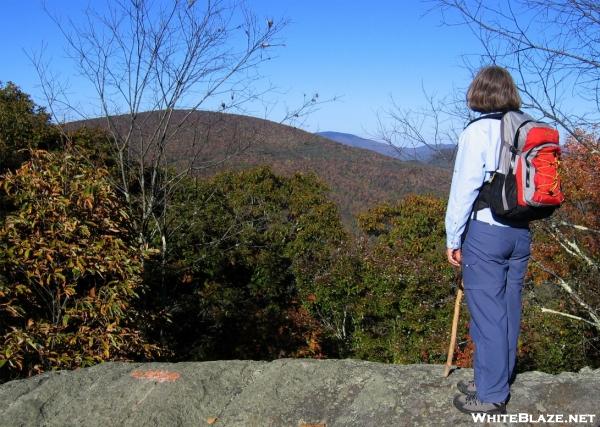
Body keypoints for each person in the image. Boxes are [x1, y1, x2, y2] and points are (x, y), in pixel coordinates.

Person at [445, 65, 532, 415]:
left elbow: (464, 189)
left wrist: (453, 236)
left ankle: (491, 395)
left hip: (486, 231)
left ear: (478, 94)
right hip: (520, 232)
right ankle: (495, 378)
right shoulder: (524, 128)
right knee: (508, 309)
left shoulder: (477, 132)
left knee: (487, 314)